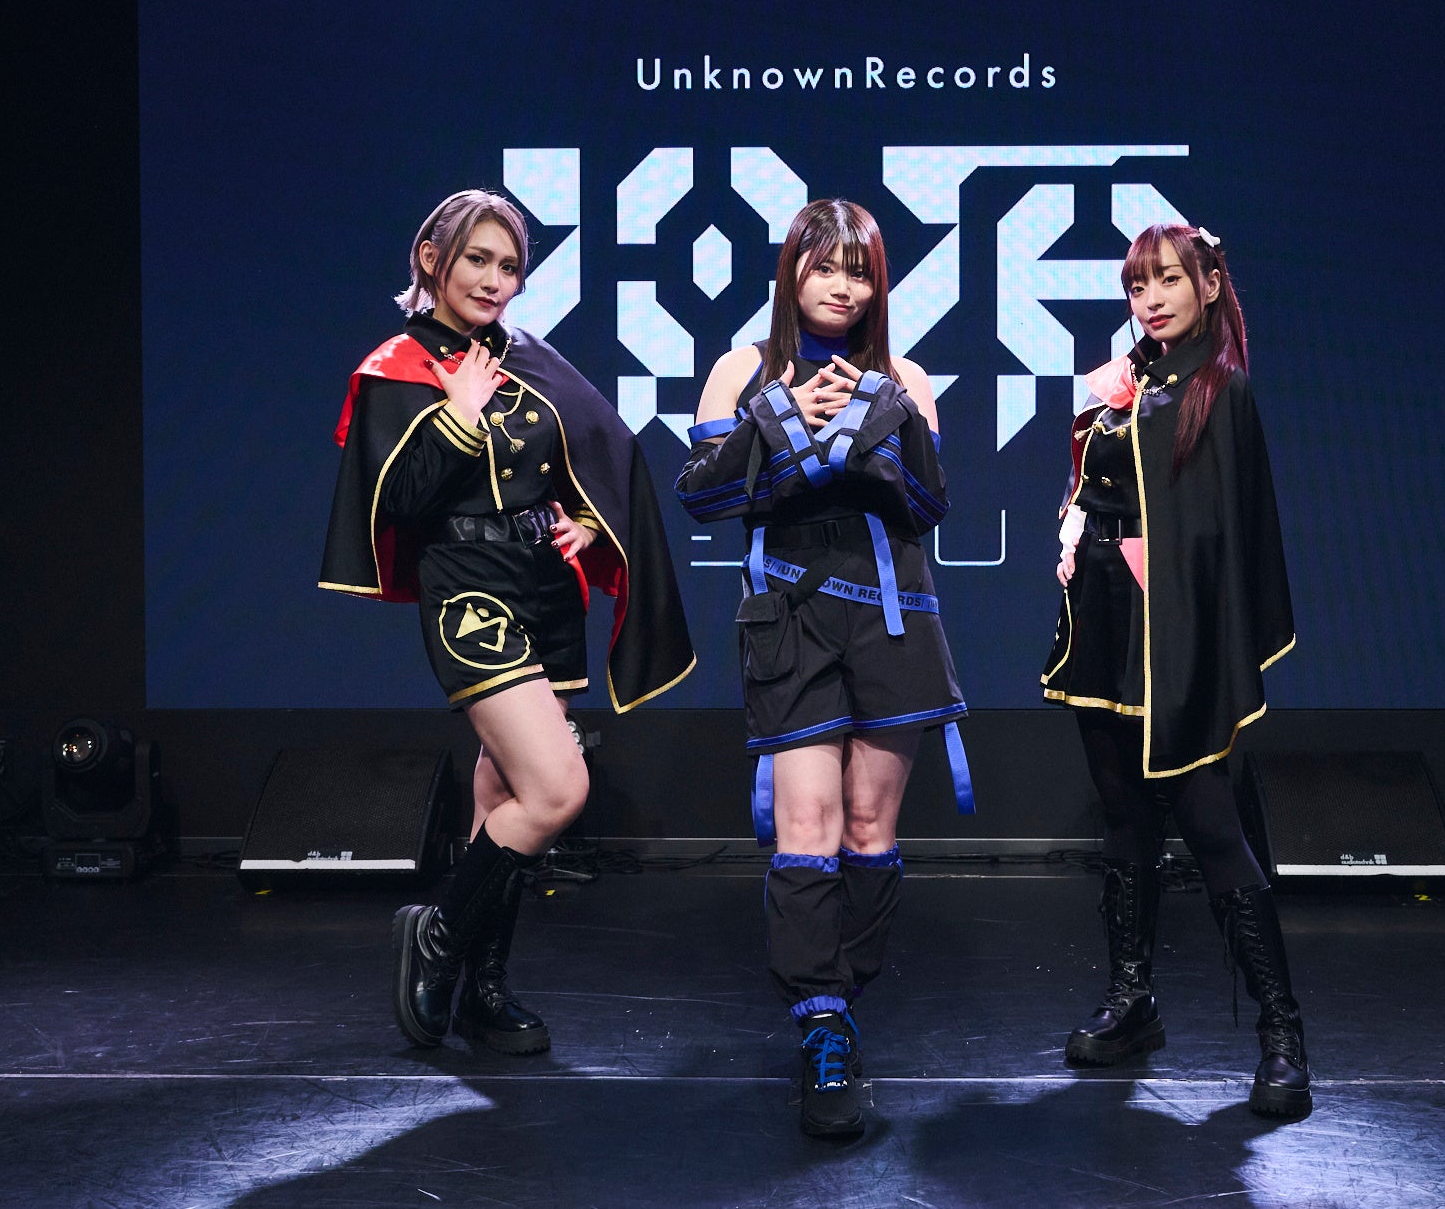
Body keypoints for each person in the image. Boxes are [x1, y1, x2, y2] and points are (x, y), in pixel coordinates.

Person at [321, 189, 694, 1054]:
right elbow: (398, 500)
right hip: (469, 586)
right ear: (432, 260)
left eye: (510, 266)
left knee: (503, 796)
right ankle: (438, 934)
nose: (495, 280)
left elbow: (600, 451)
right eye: (477, 260)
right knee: (559, 788)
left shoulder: (529, 357)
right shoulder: (400, 364)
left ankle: (482, 988)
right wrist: (455, 415)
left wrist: (590, 521)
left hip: (545, 586)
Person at [676, 198, 971, 1138]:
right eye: (825, 266)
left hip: (894, 621)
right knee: (808, 823)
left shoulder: (903, 376)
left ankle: (844, 990)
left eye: (860, 271)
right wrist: (776, 419)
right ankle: (824, 1025)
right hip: (790, 623)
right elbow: (703, 498)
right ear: (792, 272)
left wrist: (883, 419)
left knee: (872, 828)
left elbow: (929, 503)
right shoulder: (743, 370)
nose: (843, 287)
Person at [1041, 222, 1309, 1119]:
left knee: (1210, 822)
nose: (1150, 299)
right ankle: (1133, 1001)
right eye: (1137, 286)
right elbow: (1100, 490)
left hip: (1179, 631)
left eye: (1166, 280)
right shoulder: (1132, 382)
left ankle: (1282, 1031)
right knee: (1123, 814)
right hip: (1106, 619)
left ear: (1208, 285)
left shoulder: (1219, 389)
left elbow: (1225, 532)